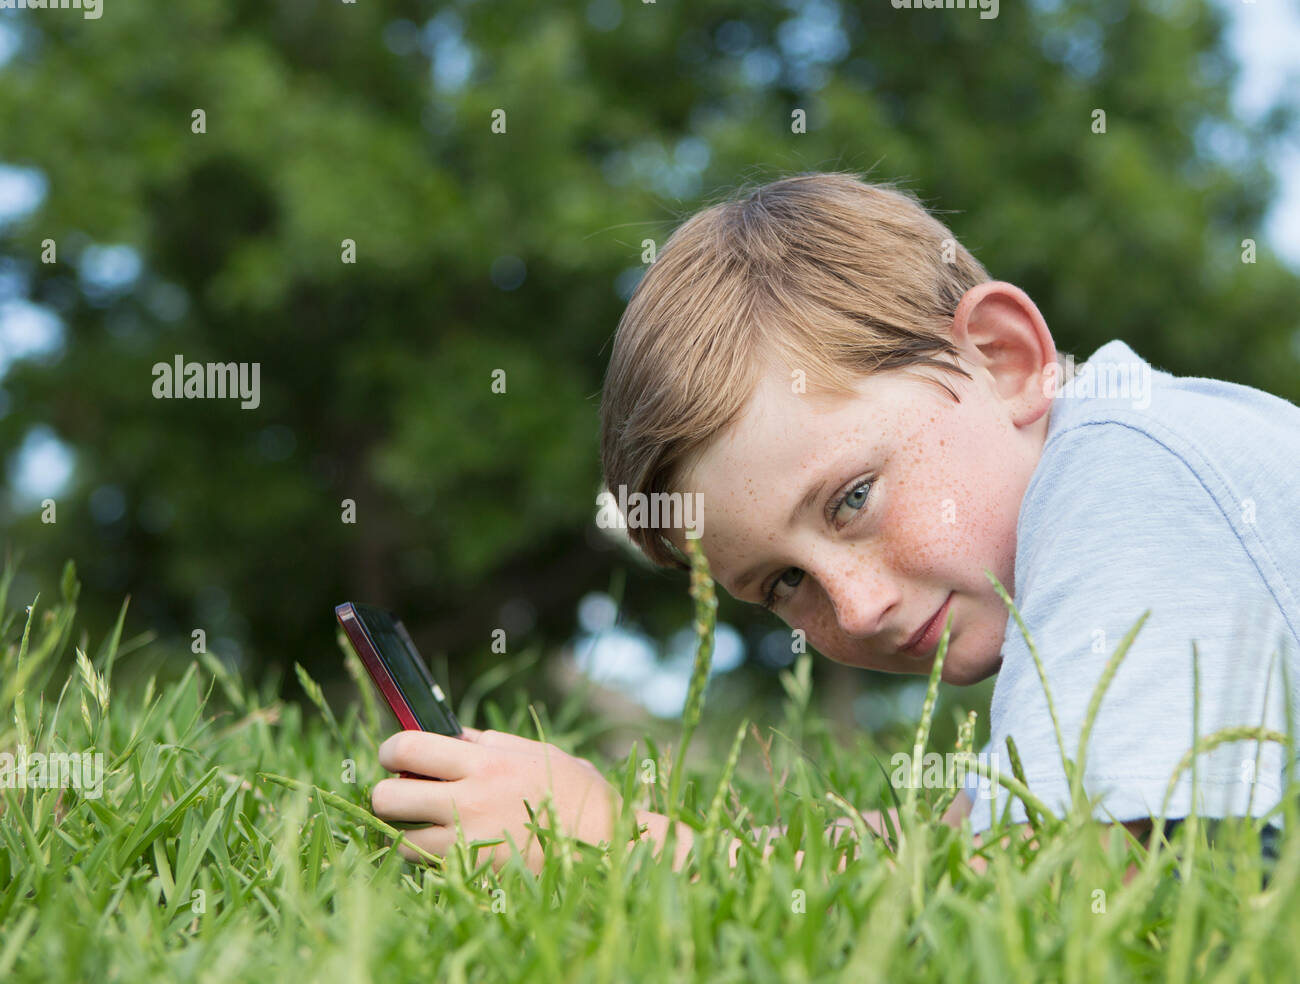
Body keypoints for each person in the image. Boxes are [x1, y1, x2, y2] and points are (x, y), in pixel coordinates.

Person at [374, 173, 1299, 883]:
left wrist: (635, 851)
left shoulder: (1131, 475)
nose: (855, 611)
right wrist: (590, 817)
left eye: (853, 498)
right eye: (783, 585)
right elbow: (972, 838)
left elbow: (1071, 880)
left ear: (1006, 360)